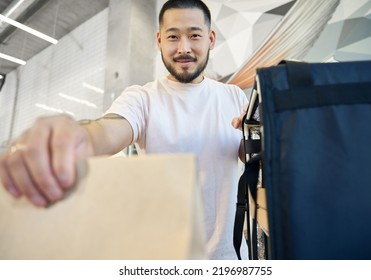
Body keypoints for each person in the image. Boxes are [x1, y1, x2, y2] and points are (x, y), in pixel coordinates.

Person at [0, 0, 248, 260]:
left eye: (194, 36)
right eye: (173, 37)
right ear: (159, 40)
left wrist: (260, 136)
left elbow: (248, 154)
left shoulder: (234, 97)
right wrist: (79, 137)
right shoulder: (142, 98)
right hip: (164, 258)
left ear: (210, 39)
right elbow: (107, 130)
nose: (183, 48)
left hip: (229, 257)